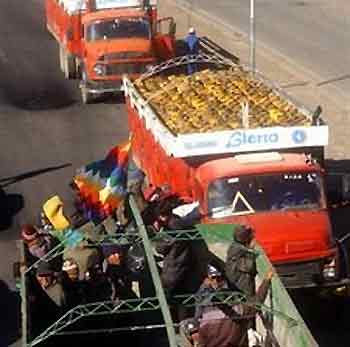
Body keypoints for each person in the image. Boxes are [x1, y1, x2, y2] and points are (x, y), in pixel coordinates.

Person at [196, 270, 274, 347]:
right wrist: (266, 280)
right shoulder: (238, 311)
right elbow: (257, 302)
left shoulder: (204, 320)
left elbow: (201, 344)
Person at [225, 225, 258, 297]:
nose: (254, 238)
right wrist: (251, 250)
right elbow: (248, 267)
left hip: (238, 285)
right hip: (243, 287)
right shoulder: (239, 250)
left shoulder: (234, 246)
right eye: (251, 236)